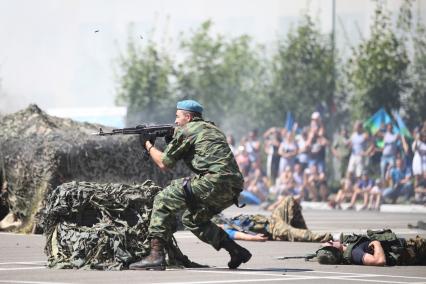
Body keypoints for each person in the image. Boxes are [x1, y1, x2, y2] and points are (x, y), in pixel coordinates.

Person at [129, 99, 251, 270]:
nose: (175, 121)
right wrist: (173, 138)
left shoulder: (187, 130)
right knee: (193, 219)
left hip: (213, 182)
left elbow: (164, 163)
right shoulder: (213, 129)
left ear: (188, 116)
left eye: (178, 117)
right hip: (234, 186)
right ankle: (236, 251)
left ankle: (156, 256)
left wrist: (147, 144)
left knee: (162, 200)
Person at [214, 196, 332, 242]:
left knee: (290, 200)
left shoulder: (229, 220)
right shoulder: (223, 228)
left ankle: (303, 232)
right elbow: (237, 235)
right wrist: (254, 238)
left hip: (272, 219)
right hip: (273, 229)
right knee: (292, 232)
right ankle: (328, 237)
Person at [319, 229, 426, 266]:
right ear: (336, 251)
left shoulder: (348, 244)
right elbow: (379, 261)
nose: (331, 241)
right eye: (331, 243)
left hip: (411, 245)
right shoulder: (355, 253)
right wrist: (376, 243)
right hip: (414, 251)